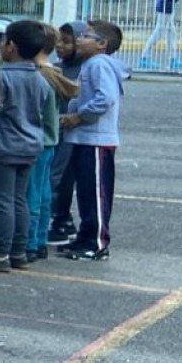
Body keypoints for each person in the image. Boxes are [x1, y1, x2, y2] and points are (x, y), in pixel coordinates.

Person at [0, 22, 52, 273]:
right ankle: (19, 251)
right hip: (30, 145)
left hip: (5, 146)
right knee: (20, 199)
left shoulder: (2, 76)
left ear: (12, 47)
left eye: (4, 41)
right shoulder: (40, 79)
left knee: (2, 201)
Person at [61, 21, 126, 261]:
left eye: (86, 36)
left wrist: (79, 116)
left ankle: (97, 243)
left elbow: (105, 99)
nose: (79, 39)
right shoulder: (91, 63)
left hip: (96, 139)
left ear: (102, 44)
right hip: (86, 139)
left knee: (96, 194)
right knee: (86, 192)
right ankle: (85, 236)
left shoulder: (99, 64)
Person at [25, 25, 76, 263]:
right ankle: (40, 239)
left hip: (37, 140)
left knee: (32, 194)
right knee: (43, 192)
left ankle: (31, 242)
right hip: (50, 139)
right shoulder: (53, 72)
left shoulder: (40, 74)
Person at [46, 22, 89, 246]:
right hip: (56, 130)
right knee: (56, 176)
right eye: (59, 41)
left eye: (67, 41)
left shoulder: (84, 70)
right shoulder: (56, 67)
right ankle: (62, 218)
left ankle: (59, 220)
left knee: (60, 177)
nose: (60, 46)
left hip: (71, 132)